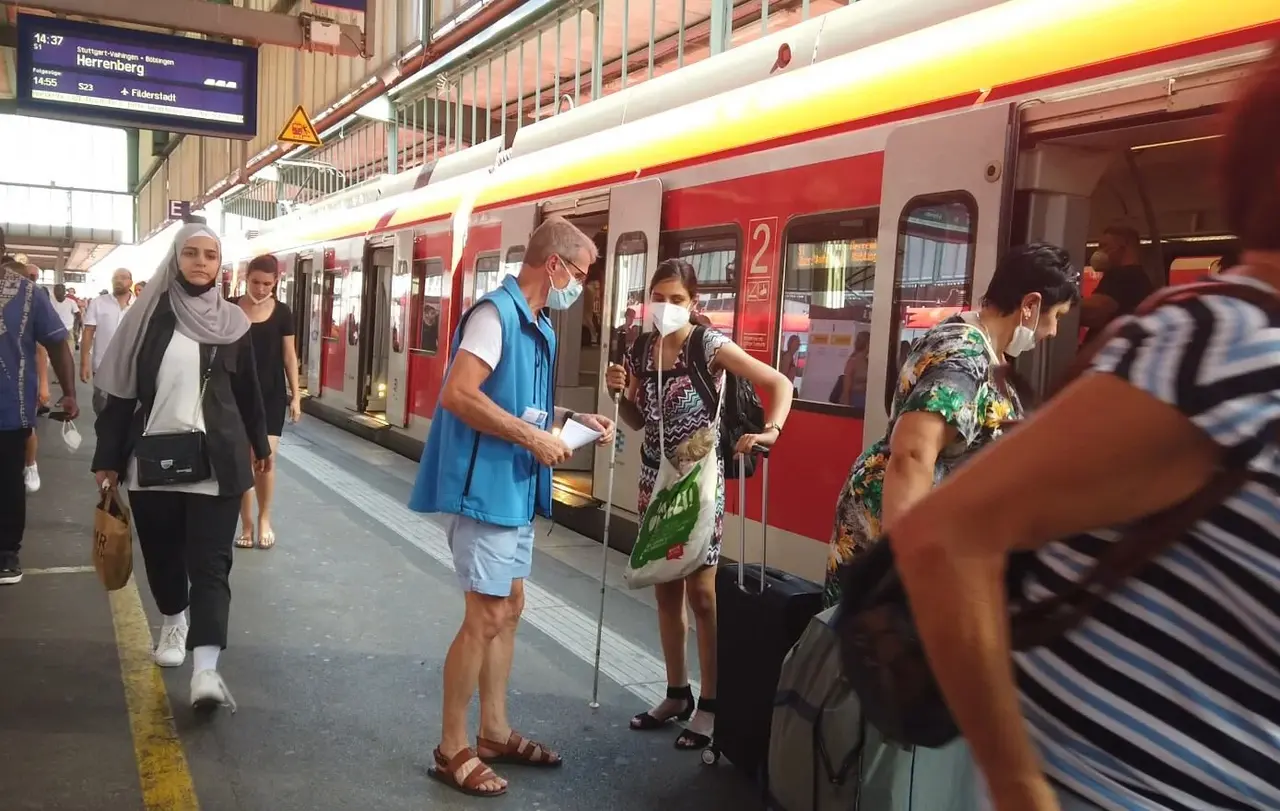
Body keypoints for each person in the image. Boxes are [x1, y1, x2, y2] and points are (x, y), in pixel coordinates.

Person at [882, 48, 1280, 811]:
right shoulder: (1221, 351)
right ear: (1031, 305)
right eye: (1061, 314)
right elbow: (922, 485)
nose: (1062, 329)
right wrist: (1021, 787)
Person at [409, 215, 616, 798]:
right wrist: (532, 439)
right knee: (485, 615)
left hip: (513, 486)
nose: (582, 284)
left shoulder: (537, 326)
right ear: (554, 265)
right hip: (484, 486)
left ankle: (494, 730)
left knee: (510, 606)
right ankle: (453, 747)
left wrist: (567, 425)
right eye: (579, 272)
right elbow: (458, 394)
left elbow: (517, 407)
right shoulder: (493, 317)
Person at [823, 243, 1080, 608]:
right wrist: (906, 570)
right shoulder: (965, 358)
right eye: (1057, 316)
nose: (1053, 331)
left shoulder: (973, 339)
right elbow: (913, 453)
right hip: (898, 522)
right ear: (1030, 305)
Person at [605, 258, 794, 751]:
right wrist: (618, 394)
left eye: (677, 300)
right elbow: (638, 420)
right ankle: (676, 693)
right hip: (655, 481)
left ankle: (711, 704)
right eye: (659, 298)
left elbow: (780, 383)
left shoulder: (707, 345)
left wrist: (769, 431)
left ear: (695, 305)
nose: (666, 308)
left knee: (703, 595)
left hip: (699, 484)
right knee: (666, 591)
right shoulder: (642, 347)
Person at [92, 223, 271, 711]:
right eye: (190, 253)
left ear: (219, 264)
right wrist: (106, 458)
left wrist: (260, 446)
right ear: (176, 259)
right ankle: (173, 621)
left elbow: (249, 393)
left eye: (210, 255)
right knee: (163, 555)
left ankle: (207, 671)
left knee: (211, 567)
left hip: (218, 461)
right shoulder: (150, 316)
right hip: (152, 461)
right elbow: (121, 395)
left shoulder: (233, 322)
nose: (200, 262)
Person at [0, 258, 78, 585]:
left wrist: (70, 392)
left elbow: (57, 344)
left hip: (8, 408)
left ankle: (6, 552)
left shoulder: (28, 294)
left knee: (7, 483)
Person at [232, 254, 301, 550]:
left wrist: (295, 395)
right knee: (243, 463)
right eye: (256, 282)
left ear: (276, 283)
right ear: (247, 278)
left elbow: (289, 356)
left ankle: (265, 518)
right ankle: (246, 523)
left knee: (266, 461)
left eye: (267, 284)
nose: (260, 289)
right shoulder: (231, 308)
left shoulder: (283, 312)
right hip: (235, 394)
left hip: (271, 394)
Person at [1080, 225, 1154, 343]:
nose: (1099, 252)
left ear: (1124, 246)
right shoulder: (1140, 277)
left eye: (1104, 246)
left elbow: (1096, 311)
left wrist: (1067, 303)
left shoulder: (1124, 275)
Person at [81, 268, 135, 415]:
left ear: (130, 281)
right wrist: (84, 362)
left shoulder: (139, 305)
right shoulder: (98, 303)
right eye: (115, 278)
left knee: (126, 412)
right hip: (101, 366)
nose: (118, 280)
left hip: (130, 369)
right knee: (102, 409)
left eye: (123, 277)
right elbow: (88, 332)